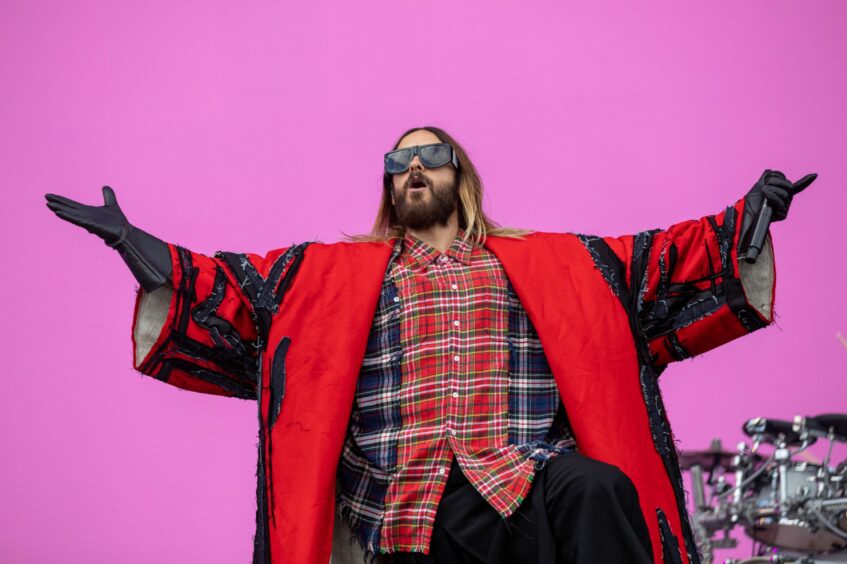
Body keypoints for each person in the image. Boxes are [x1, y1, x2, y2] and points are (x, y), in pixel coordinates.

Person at [44, 126, 817, 564]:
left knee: (599, 491)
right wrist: (147, 254)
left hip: (529, 476)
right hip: (404, 498)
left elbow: (661, 262)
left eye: (428, 156)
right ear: (387, 188)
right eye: (396, 161)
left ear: (460, 178)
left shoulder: (557, 262)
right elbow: (236, 295)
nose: (411, 166)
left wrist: (738, 223)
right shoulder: (329, 275)